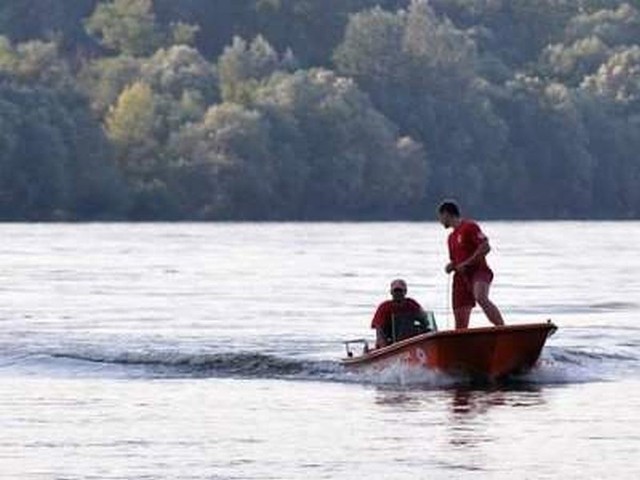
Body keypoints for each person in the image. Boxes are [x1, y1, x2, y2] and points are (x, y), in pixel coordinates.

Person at [437, 200, 505, 329]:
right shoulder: (451, 238)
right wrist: (451, 266)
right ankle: (462, 343)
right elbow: (456, 259)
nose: (439, 221)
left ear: (446, 214)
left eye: (440, 217)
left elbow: (485, 247)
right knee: (460, 320)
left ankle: (503, 329)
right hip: (461, 278)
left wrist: (467, 263)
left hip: (479, 271)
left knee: (480, 297)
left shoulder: (469, 226)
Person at [370, 279, 430, 348]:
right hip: (391, 343)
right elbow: (379, 329)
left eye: (400, 291)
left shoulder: (412, 304)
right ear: (391, 292)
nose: (398, 294)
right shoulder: (384, 307)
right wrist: (385, 348)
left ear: (405, 292)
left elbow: (425, 321)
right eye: (396, 291)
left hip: (410, 341)